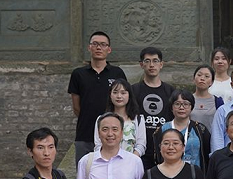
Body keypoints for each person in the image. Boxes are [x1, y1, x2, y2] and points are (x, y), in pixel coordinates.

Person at [69, 31, 127, 165]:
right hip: (85, 134)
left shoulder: (117, 73)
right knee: (85, 171)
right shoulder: (78, 74)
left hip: (111, 135)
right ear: (89, 47)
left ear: (109, 49)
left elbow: (123, 101)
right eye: (95, 44)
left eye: (103, 44)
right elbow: (77, 107)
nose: (99, 47)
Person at [133, 47, 175, 170]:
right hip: (139, 151)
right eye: (147, 61)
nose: (152, 65)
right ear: (141, 64)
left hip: (165, 150)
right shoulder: (133, 90)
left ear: (161, 64)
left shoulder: (171, 91)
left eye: (155, 61)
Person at [159, 90, 211, 172]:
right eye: (177, 104)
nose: (181, 107)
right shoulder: (162, 129)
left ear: (191, 107)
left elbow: (207, 153)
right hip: (167, 174)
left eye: (186, 104)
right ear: (171, 107)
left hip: (195, 174)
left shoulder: (200, 129)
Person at [93, 79, 146, 157]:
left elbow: (141, 145)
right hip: (107, 161)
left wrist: (131, 160)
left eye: (123, 93)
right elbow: (98, 145)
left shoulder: (138, 119)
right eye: (115, 92)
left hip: (130, 162)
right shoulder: (101, 119)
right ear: (110, 95)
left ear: (129, 95)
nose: (119, 96)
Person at [191, 64, 224, 131]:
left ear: (211, 82)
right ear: (194, 79)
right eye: (199, 75)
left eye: (207, 76)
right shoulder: (187, 100)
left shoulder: (217, 101)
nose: (202, 78)